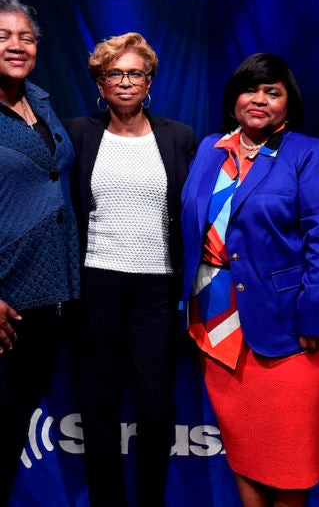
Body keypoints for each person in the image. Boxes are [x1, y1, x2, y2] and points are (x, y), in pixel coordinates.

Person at [180, 52, 319, 507]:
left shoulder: (309, 153)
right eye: (250, 90)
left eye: (272, 92)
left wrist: (315, 316)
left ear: (288, 103)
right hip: (216, 326)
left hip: (292, 326)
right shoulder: (210, 149)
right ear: (233, 99)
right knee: (244, 450)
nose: (259, 100)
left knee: (289, 458)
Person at [64, 32, 196, 507]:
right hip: (96, 284)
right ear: (100, 84)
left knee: (155, 404)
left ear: (149, 81)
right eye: (113, 73)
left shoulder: (178, 137)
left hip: (156, 290)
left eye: (134, 73)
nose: (124, 81)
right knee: (98, 403)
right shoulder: (78, 133)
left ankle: (151, 501)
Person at [0, 0, 80, 506]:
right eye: (3, 36)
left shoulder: (41, 104)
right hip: (6, 302)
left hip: (49, 298)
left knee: (11, 432)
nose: (17, 45)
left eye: (26, 37)